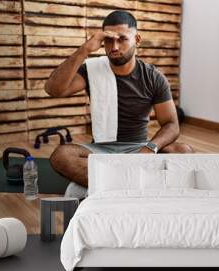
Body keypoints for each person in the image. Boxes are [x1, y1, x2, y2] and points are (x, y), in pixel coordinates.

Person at [45, 10, 193, 198]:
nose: (114, 47)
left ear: (137, 39)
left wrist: (150, 148)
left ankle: (107, 184)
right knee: (61, 156)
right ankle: (134, 186)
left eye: (122, 39)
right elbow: (53, 89)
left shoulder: (154, 77)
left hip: (138, 148)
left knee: (183, 151)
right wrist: (85, 50)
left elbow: (172, 124)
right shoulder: (92, 70)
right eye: (108, 40)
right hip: (101, 149)